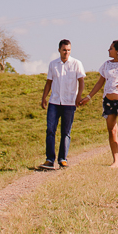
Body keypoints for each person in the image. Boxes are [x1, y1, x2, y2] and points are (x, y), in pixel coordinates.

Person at [79, 39, 118, 168]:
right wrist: (89, 96)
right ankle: (115, 160)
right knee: (112, 130)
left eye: (111, 48)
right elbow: (100, 83)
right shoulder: (106, 65)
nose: (108, 50)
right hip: (108, 100)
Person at [39, 39, 86, 170]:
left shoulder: (77, 64)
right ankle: (49, 159)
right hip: (54, 101)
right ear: (59, 50)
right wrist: (44, 98)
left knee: (66, 131)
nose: (66, 52)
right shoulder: (53, 64)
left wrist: (79, 96)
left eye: (69, 50)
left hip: (70, 102)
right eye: (64, 50)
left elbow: (81, 81)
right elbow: (48, 82)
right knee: (50, 130)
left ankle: (62, 159)